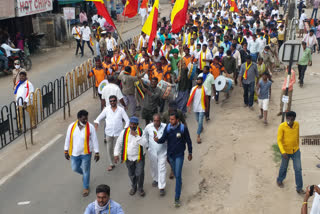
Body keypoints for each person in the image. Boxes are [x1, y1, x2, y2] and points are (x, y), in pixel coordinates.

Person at [154, 112, 192, 207]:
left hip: (179, 155)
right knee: (175, 173)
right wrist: (158, 140)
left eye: (172, 119)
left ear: (177, 120)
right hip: (170, 155)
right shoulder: (168, 128)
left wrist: (190, 152)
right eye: (170, 119)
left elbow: (188, 141)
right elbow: (163, 138)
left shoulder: (183, 129)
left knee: (178, 175)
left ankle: (177, 198)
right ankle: (180, 182)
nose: (170, 121)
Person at [64, 110, 100, 197]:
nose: (86, 120)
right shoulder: (71, 126)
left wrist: (97, 152)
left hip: (86, 153)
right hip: (74, 153)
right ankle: (85, 175)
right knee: (75, 168)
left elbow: (94, 140)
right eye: (84, 119)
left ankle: (86, 188)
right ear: (79, 118)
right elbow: (67, 139)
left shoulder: (90, 127)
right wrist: (66, 150)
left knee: (86, 170)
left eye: (87, 118)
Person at [94, 95, 129, 171]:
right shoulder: (106, 110)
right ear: (109, 102)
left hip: (119, 132)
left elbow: (127, 120)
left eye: (114, 101)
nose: (112, 102)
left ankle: (118, 156)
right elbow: (99, 118)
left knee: (120, 146)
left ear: (116, 101)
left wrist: (125, 129)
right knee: (109, 148)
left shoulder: (121, 110)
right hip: (109, 132)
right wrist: (96, 124)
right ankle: (111, 163)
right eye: (111, 101)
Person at [114, 116, 146, 197]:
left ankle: (140, 188)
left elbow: (145, 144)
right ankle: (134, 187)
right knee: (131, 174)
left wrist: (136, 135)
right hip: (128, 157)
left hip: (139, 157)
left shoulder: (142, 132)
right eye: (131, 124)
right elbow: (118, 143)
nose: (132, 126)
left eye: (134, 124)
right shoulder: (124, 132)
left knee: (139, 173)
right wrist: (116, 154)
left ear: (137, 125)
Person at [276, 111, 304, 195]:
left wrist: (297, 147)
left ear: (294, 119)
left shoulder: (297, 124)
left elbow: (297, 136)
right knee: (284, 167)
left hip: (295, 151)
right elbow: (279, 140)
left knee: (298, 169)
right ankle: (279, 180)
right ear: (286, 118)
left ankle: (299, 188)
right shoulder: (282, 126)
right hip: (285, 152)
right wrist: (283, 152)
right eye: (288, 118)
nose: (290, 120)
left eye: (292, 118)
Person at [142, 114, 167, 196]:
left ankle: (162, 187)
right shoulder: (148, 127)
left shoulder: (165, 127)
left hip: (163, 151)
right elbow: (144, 135)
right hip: (152, 151)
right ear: (153, 121)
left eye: (158, 121)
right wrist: (147, 145)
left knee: (162, 168)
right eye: (155, 121)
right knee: (154, 166)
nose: (156, 122)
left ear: (160, 120)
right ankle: (155, 179)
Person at [187, 76, 209, 144]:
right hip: (195, 108)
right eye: (197, 80)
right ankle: (201, 127)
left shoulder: (205, 89)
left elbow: (207, 99)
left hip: (202, 107)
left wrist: (207, 107)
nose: (198, 82)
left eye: (200, 81)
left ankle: (198, 136)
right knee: (197, 120)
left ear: (202, 82)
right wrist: (189, 107)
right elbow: (191, 98)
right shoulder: (194, 89)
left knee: (199, 122)